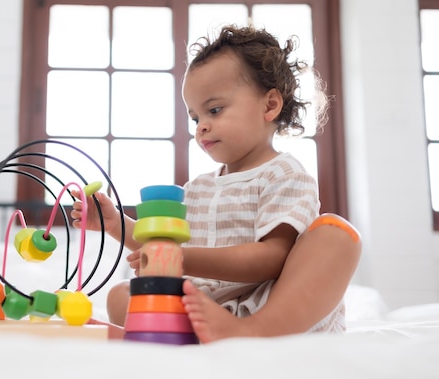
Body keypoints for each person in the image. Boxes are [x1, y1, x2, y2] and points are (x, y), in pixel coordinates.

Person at [71, 24, 361, 343]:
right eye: (195, 118)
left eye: (215, 110)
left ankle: (253, 332)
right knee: (120, 294)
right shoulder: (196, 189)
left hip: (267, 307)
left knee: (336, 234)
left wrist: (183, 258)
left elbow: (271, 259)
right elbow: (163, 253)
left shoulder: (284, 174)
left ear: (269, 105)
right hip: (205, 307)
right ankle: (185, 334)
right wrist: (116, 225)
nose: (202, 127)